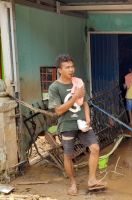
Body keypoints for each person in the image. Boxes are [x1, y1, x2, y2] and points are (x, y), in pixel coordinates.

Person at [48, 55, 104, 195]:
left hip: (82, 124)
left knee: (95, 148)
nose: (71, 69)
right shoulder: (54, 87)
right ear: (60, 70)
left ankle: (92, 180)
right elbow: (59, 110)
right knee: (68, 156)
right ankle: (72, 183)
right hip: (66, 125)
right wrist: (74, 96)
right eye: (67, 67)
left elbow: (84, 102)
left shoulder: (78, 82)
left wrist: (87, 117)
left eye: (72, 66)